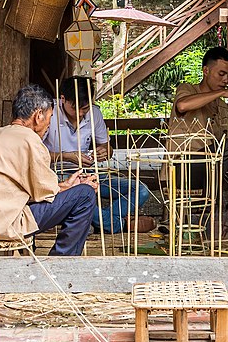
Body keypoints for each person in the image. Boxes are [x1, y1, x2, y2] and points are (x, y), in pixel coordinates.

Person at [0, 84, 97, 256]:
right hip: (3, 225)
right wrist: (76, 187)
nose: (48, 124)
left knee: (78, 192)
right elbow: (46, 193)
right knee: (85, 195)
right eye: (49, 117)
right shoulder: (30, 139)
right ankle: (61, 263)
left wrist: (66, 186)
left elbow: (27, 189)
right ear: (39, 116)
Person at [45, 76, 152, 234]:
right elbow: (35, 154)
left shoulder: (94, 113)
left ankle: (102, 220)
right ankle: (118, 225)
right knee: (79, 195)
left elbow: (108, 149)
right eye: (76, 108)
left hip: (88, 175)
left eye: (85, 108)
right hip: (58, 176)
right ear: (63, 99)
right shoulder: (48, 113)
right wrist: (67, 156)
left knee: (141, 190)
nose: (81, 113)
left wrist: (104, 152)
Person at [172, 46, 228, 137]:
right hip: (188, 150)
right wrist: (222, 92)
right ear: (206, 71)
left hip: (214, 150)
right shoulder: (187, 89)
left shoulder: (222, 106)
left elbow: (226, 141)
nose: (226, 79)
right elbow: (182, 105)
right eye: (221, 74)